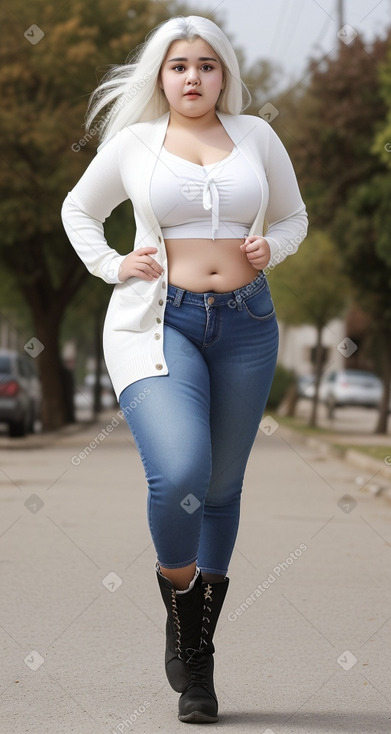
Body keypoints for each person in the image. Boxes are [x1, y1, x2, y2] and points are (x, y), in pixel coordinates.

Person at [61, 15, 308, 724]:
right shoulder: (134, 142)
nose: (192, 76)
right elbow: (80, 209)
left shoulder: (257, 137)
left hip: (246, 325)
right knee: (179, 472)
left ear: (222, 73)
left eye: (205, 64)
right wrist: (113, 263)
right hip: (156, 323)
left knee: (221, 487)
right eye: (178, 66)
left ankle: (195, 656)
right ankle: (181, 595)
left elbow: (292, 219)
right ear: (160, 76)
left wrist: (273, 250)